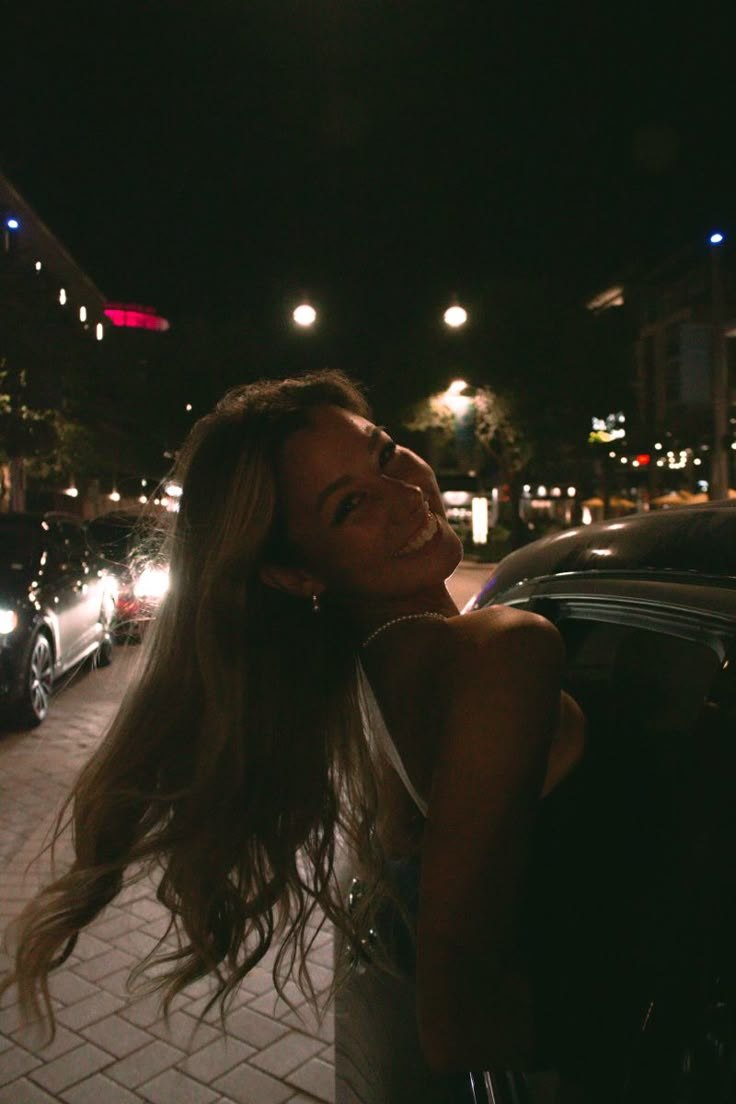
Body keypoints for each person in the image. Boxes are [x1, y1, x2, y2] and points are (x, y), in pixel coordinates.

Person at [2, 370, 585, 1096]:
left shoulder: (359, 686)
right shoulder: (499, 654)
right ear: (295, 573)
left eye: (385, 453)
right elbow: (454, 1018)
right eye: (349, 506)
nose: (405, 495)